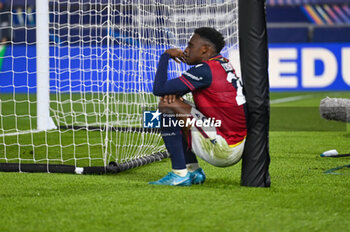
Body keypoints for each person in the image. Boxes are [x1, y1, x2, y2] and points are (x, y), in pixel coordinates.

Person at [150, 27, 247, 186]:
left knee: (167, 104)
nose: (186, 50)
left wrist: (165, 56)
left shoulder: (204, 70)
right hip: (236, 143)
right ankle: (194, 172)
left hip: (224, 149)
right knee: (175, 104)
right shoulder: (222, 64)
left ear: (204, 50)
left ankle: (180, 174)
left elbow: (159, 89)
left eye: (190, 45)